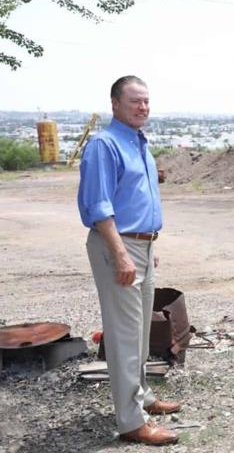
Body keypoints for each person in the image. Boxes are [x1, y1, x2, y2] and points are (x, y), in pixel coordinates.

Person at [77, 75, 181, 446]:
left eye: (147, 101)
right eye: (135, 101)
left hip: (141, 246)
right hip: (117, 246)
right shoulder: (104, 145)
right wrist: (122, 254)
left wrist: (147, 246)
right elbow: (99, 208)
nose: (143, 107)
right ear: (115, 104)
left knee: (138, 335)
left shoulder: (137, 142)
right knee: (123, 336)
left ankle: (143, 399)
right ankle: (130, 422)